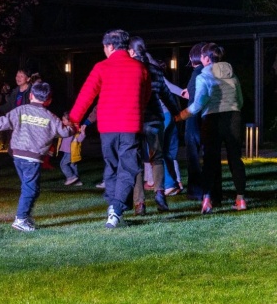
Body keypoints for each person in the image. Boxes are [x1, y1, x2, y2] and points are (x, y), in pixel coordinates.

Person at [68, 29, 151, 229]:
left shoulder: (101, 67)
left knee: (112, 166)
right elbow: (145, 96)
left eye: (104, 47)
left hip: (107, 127)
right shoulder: (140, 68)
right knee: (128, 168)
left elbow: (86, 95)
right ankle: (116, 209)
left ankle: (115, 209)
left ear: (110, 46)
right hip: (130, 125)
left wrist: (73, 120)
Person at [0, 82, 72, 232]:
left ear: (31, 96)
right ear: (48, 100)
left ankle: (25, 217)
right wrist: (73, 127)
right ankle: (20, 219)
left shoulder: (21, 110)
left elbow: (4, 121)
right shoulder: (50, 117)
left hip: (17, 155)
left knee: (31, 187)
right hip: (32, 158)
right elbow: (64, 132)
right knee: (30, 189)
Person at [176, 43, 246, 213]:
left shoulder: (203, 77)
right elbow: (240, 100)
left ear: (207, 58)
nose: (200, 58)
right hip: (234, 118)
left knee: (210, 160)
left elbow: (198, 103)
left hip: (212, 119)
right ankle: (240, 199)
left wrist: (181, 116)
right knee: (235, 159)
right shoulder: (232, 75)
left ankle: (207, 200)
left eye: (202, 56)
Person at [128, 36, 180, 215]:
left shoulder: (130, 69)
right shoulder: (155, 70)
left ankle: (139, 203)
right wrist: (176, 112)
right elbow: (166, 94)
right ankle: (159, 194)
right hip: (155, 119)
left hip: (135, 119)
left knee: (136, 160)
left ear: (131, 51)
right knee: (157, 158)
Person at [181, 42, 208, 201]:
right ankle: (210, 191)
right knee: (209, 156)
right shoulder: (209, 73)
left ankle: (195, 191)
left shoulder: (196, 73)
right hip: (208, 118)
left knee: (193, 157)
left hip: (194, 119)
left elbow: (195, 101)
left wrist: (182, 115)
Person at [57, 113, 86, 186]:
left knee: (63, 164)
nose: (62, 121)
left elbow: (79, 139)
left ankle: (71, 177)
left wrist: (82, 133)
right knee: (72, 165)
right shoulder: (66, 128)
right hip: (68, 151)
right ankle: (77, 181)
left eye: (64, 120)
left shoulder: (73, 129)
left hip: (71, 151)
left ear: (69, 121)